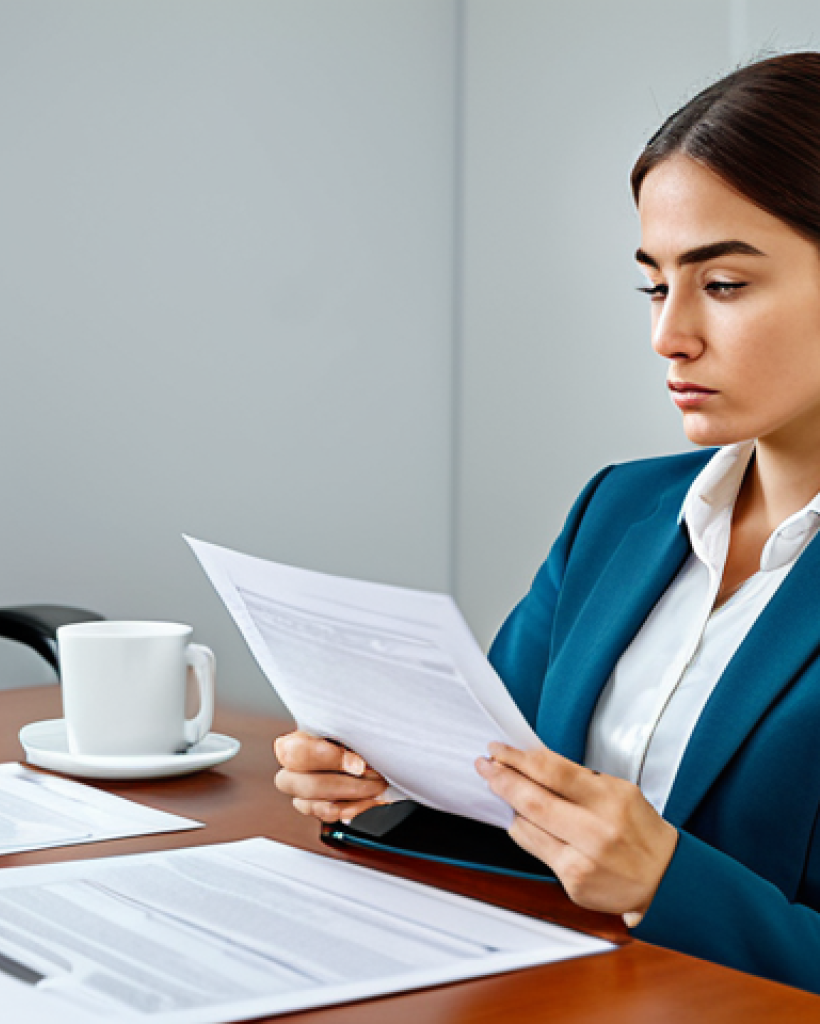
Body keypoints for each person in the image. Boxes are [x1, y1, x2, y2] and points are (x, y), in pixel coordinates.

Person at [273, 51, 820, 993]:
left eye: (722, 284)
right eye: (655, 284)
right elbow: (498, 790)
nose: (668, 333)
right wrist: (385, 785)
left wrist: (668, 882)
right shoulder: (621, 510)